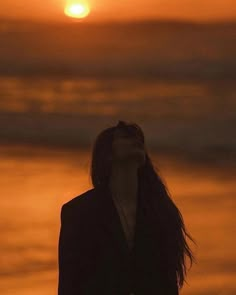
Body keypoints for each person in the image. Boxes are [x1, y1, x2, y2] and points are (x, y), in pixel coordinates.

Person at [58, 120, 196, 295]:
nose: (136, 140)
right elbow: (69, 285)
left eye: (138, 138)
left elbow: (168, 283)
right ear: (107, 154)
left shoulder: (160, 212)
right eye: (125, 137)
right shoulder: (78, 212)